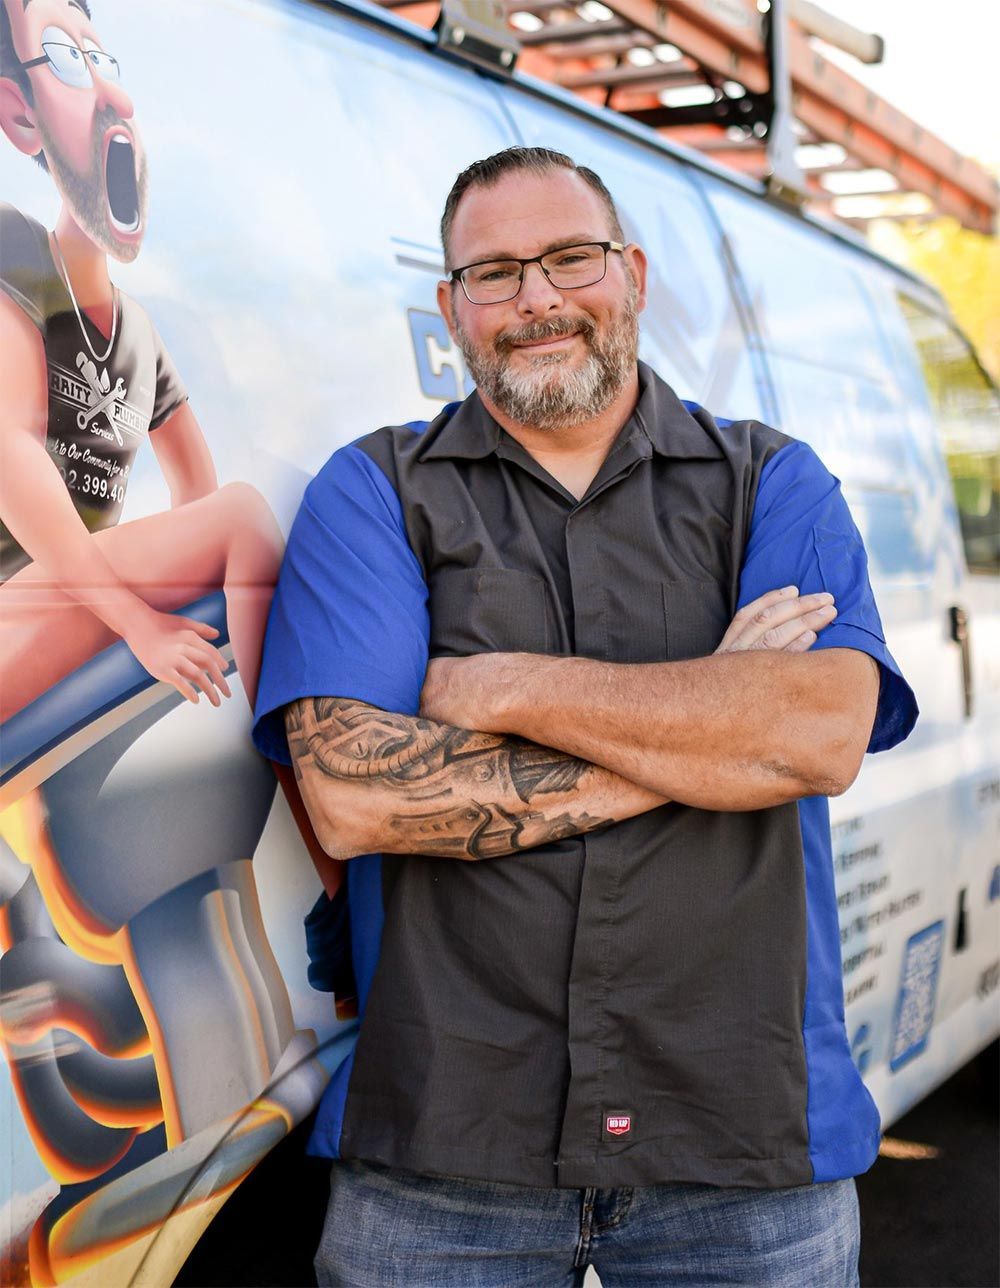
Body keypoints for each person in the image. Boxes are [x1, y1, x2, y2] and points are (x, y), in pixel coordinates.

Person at [252, 146, 918, 1286]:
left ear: (634, 274)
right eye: (495, 273)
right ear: (451, 304)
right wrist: (710, 727)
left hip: (742, 1147)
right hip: (445, 1151)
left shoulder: (773, 481)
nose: (538, 300)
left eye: (571, 258)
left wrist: (506, 689)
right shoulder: (374, 493)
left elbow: (815, 735)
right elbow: (357, 795)